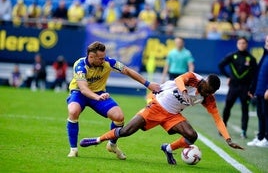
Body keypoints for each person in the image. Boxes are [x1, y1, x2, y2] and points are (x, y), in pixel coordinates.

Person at [79, 72, 244, 165]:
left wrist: (228, 139)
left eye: (210, 93)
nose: (207, 94)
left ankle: (168, 149)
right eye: (207, 90)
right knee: (127, 131)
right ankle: (98, 139)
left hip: (172, 115)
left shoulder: (208, 98)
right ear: (204, 82)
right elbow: (180, 80)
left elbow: (217, 119)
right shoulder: (193, 78)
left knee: (192, 136)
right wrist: (184, 91)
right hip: (157, 106)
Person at [66, 41, 160, 158]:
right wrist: (97, 97)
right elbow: (84, 89)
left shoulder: (108, 62)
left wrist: (148, 84)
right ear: (91, 56)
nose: (103, 60)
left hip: (99, 93)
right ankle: (73, 149)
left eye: (104, 57)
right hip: (79, 93)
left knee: (119, 117)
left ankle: (112, 144)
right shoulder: (80, 66)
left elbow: (127, 70)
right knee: (73, 111)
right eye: (100, 58)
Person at [218, 37, 257, 139]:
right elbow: (220, 65)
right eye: (239, 43)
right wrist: (228, 76)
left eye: (243, 43)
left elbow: (255, 75)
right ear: (237, 44)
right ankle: (223, 128)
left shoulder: (251, 59)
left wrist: (252, 88)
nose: (241, 45)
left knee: (245, 109)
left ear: (247, 45)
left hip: (245, 88)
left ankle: (243, 131)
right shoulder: (232, 56)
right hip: (233, 87)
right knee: (227, 107)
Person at [247, 35, 268, 147]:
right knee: (261, 114)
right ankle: (261, 136)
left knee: (266, 115)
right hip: (260, 91)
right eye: (266, 40)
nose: (267, 42)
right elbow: (258, 73)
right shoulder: (265, 55)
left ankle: (267, 139)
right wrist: (253, 88)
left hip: (266, 92)